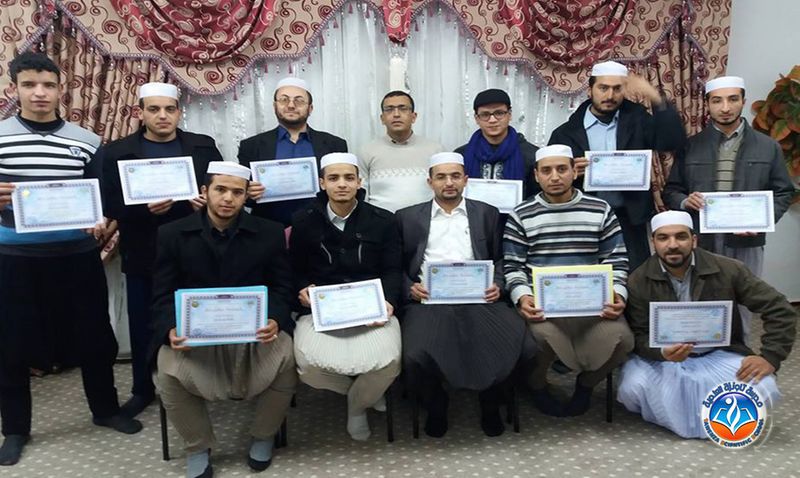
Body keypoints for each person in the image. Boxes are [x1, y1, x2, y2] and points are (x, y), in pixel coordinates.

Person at [0, 52, 141, 467]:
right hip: (14, 255)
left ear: (62, 89)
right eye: (29, 85)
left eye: (48, 85)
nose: (39, 93)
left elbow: (101, 196)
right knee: (10, 342)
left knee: (95, 335)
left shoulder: (87, 140)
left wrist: (101, 219)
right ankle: (15, 429)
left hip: (76, 255)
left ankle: (105, 409)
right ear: (14, 88)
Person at [151, 162, 297, 477]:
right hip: (197, 336)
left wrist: (275, 318)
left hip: (253, 333)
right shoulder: (172, 233)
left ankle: (263, 435)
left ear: (246, 196)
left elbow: (282, 287)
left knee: (287, 356)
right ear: (205, 192)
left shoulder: (269, 232)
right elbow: (162, 293)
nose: (228, 198)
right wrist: (170, 328)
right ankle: (198, 446)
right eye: (220, 189)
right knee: (167, 369)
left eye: (237, 192)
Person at [99, 82, 222, 418]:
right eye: (154, 109)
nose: (162, 116)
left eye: (169, 109)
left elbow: (222, 190)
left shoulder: (202, 146)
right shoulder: (118, 152)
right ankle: (142, 389)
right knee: (144, 323)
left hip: (196, 248)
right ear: (140, 113)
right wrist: (143, 209)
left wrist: (207, 202)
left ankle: (201, 382)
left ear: (179, 112)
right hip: (143, 250)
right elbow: (109, 204)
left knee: (198, 317)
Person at [617, 210, 797, 438]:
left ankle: (703, 416)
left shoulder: (729, 269)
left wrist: (770, 357)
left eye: (681, 236)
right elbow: (639, 334)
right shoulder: (639, 280)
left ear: (694, 240)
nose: (672, 245)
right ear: (653, 242)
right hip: (665, 360)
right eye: (663, 238)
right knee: (633, 388)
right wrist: (662, 352)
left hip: (718, 353)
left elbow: (779, 309)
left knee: (764, 387)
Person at [396, 152, 536, 438]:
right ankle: (436, 403)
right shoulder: (406, 217)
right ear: (430, 182)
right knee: (414, 353)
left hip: (479, 297)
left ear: (466, 179)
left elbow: (501, 259)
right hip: (428, 300)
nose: (449, 182)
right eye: (441, 177)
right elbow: (394, 266)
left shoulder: (487, 213)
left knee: (523, 345)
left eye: (455, 176)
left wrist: (498, 284)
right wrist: (409, 287)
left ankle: (490, 401)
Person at [662, 76, 795, 344]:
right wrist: (685, 202)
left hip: (747, 241)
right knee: (699, 297)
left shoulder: (768, 146)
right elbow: (672, 191)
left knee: (743, 300)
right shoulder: (690, 146)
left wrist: (762, 220)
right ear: (707, 104)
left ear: (743, 101)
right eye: (717, 101)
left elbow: (784, 192)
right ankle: (701, 353)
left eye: (733, 99)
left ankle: (738, 351)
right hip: (702, 239)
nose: (725, 107)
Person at [503, 144, 633, 417]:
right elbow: (513, 266)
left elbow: (617, 259)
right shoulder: (521, 214)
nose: (555, 177)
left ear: (575, 171)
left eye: (562, 169)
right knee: (538, 340)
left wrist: (617, 294)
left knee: (623, 341)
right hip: (543, 308)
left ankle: (586, 385)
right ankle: (537, 385)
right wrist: (523, 297)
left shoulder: (600, 209)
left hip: (593, 307)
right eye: (546, 171)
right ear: (536, 175)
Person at [289, 152, 401, 441]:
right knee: (308, 368)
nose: (342, 184)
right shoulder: (303, 221)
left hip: (372, 309)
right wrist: (302, 288)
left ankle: (356, 407)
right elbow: (294, 269)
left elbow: (392, 269)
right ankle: (362, 395)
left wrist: (389, 300)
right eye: (334, 178)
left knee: (389, 362)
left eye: (349, 178)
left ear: (359, 182)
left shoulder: (383, 220)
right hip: (320, 311)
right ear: (322, 183)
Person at [548, 60, 687, 271]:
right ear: (590, 90)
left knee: (634, 280)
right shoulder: (565, 133)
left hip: (629, 219)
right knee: (587, 277)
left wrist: (656, 98)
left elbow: (671, 141)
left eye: (617, 89)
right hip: (584, 219)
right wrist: (568, 173)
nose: (610, 95)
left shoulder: (638, 120)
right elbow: (547, 181)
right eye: (603, 88)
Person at [238, 77, 348, 226]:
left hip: (322, 227)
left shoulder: (334, 144)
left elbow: (343, 188)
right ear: (274, 106)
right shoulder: (251, 146)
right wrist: (248, 193)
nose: (291, 105)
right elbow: (242, 195)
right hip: (269, 228)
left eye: (299, 101)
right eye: (284, 100)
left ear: (310, 108)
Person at [358, 90, 444, 212]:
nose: (396, 114)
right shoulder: (367, 151)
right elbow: (361, 195)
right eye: (389, 109)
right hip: (381, 222)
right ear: (382, 118)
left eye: (403, 109)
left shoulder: (435, 150)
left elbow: (443, 190)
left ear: (413, 117)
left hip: (424, 221)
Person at [455, 88, 540, 200]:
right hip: (471, 212)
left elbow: (537, 197)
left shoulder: (531, 155)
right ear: (476, 119)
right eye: (485, 114)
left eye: (499, 113)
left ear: (509, 115)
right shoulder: (461, 155)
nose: (492, 120)